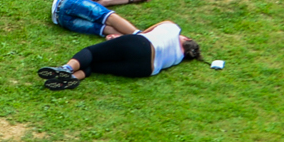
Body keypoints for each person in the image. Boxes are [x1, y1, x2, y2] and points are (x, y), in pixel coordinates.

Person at [39, 21, 200, 90]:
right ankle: (73, 78)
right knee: (94, 66)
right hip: (145, 69)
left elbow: (144, 33)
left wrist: (119, 40)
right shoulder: (178, 58)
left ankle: (67, 69)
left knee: (91, 52)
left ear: (186, 39)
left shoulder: (173, 28)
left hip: (142, 44)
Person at [51, 0, 151, 39]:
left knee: (105, 29)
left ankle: (137, 40)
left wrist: (131, 0)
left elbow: (107, 2)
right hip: (67, 2)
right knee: (109, 16)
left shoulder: (85, 2)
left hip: (62, 20)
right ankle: (142, 36)